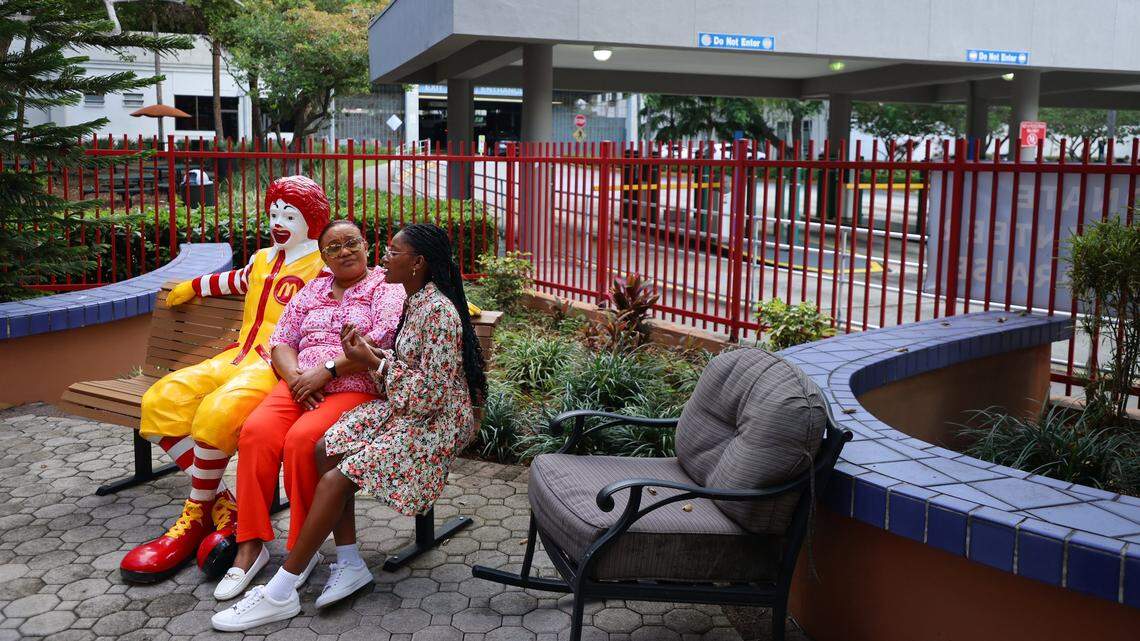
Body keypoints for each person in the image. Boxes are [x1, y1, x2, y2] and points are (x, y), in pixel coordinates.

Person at [212, 224, 487, 632]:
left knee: (335, 475)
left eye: (392, 252)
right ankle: (350, 562)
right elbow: (289, 341)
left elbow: (427, 398)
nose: (382, 257)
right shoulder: (416, 298)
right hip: (406, 406)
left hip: (434, 421)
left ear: (418, 262)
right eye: (335, 247)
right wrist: (357, 363)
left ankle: (282, 589)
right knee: (326, 447)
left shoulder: (435, 311)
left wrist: (372, 363)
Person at [121, 176, 330, 584]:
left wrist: (437, 296)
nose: (279, 222)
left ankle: (195, 513)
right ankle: (220, 504)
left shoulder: (321, 265)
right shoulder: (264, 258)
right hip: (236, 356)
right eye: (274, 214)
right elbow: (235, 280)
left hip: (274, 366)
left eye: (290, 215)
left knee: (214, 415)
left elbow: (371, 284)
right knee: (161, 401)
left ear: (312, 220)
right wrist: (191, 286)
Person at [211, 219, 406, 600]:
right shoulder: (313, 288)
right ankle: (250, 544)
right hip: (301, 385)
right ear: (324, 257)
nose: (345, 251)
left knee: (302, 441)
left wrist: (324, 372)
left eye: (351, 242)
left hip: (355, 386)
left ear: (366, 245)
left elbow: (382, 340)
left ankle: (303, 548)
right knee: (256, 433)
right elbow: (281, 339)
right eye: (334, 248)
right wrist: (298, 378)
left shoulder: (385, 286)